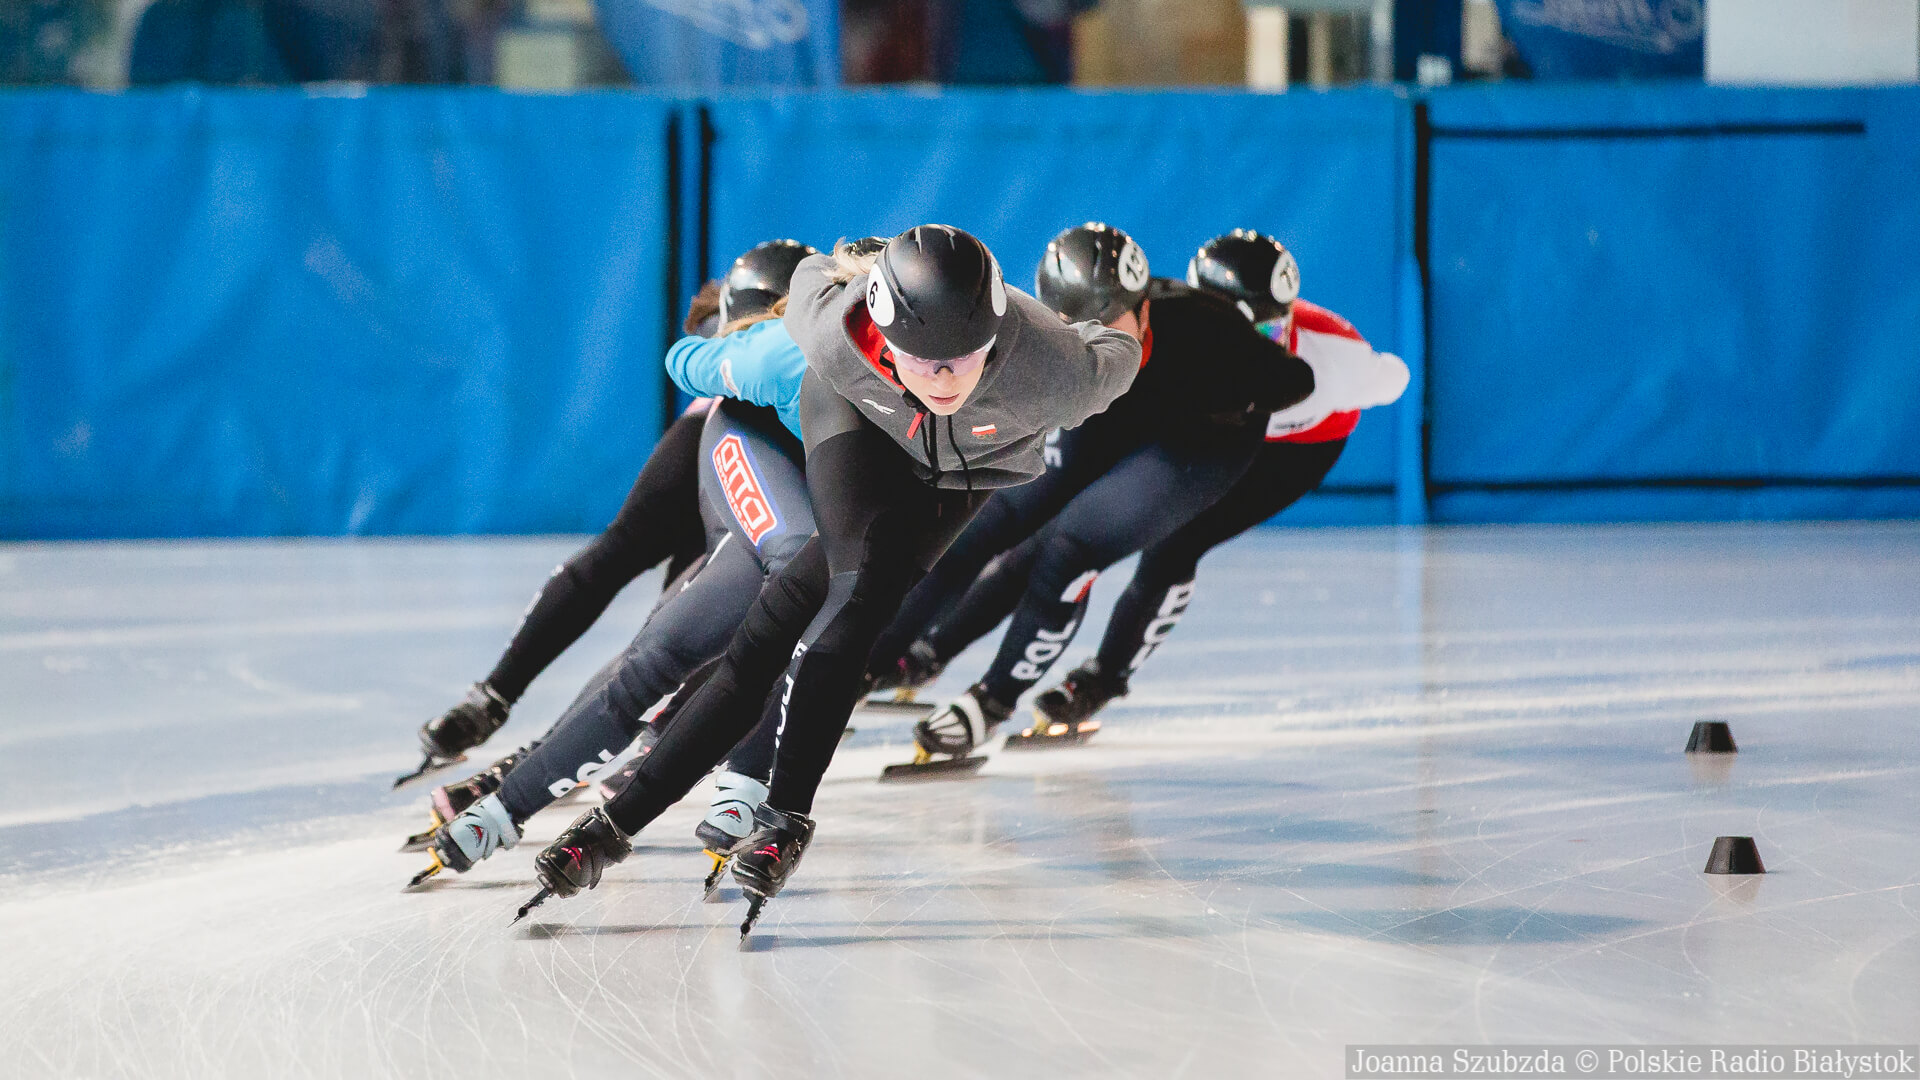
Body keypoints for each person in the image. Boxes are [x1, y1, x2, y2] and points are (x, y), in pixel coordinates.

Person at [516, 225, 1144, 936]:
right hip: (858, 420)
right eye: (923, 359)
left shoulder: (1061, 372)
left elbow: (1124, 347)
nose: (943, 379)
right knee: (794, 623)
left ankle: (784, 818)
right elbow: (729, 331)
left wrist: (1100, 320)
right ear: (879, 329)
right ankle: (612, 828)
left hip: (967, 470)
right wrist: (713, 359)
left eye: (964, 359)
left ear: (997, 334)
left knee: (841, 610)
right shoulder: (826, 329)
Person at [409, 252, 827, 886]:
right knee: (680, 622)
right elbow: (606, 571)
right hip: (736, 453)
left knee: (705, 628)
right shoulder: (764, 365)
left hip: (778, 473)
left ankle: (560, 743)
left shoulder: (809, 344)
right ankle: (523, 734)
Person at [891, 229, 1409, 741]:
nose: (1246, 344)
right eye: (1233, 327)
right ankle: (931, 651)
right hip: (1193, 429)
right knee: (1043, 535)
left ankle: (1105, 676)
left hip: (1293, 450)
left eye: (1270, 334)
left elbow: (1394, 378)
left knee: (1175, 543)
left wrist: (1266, 394)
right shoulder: (1178, 329)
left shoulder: (1336, 356)